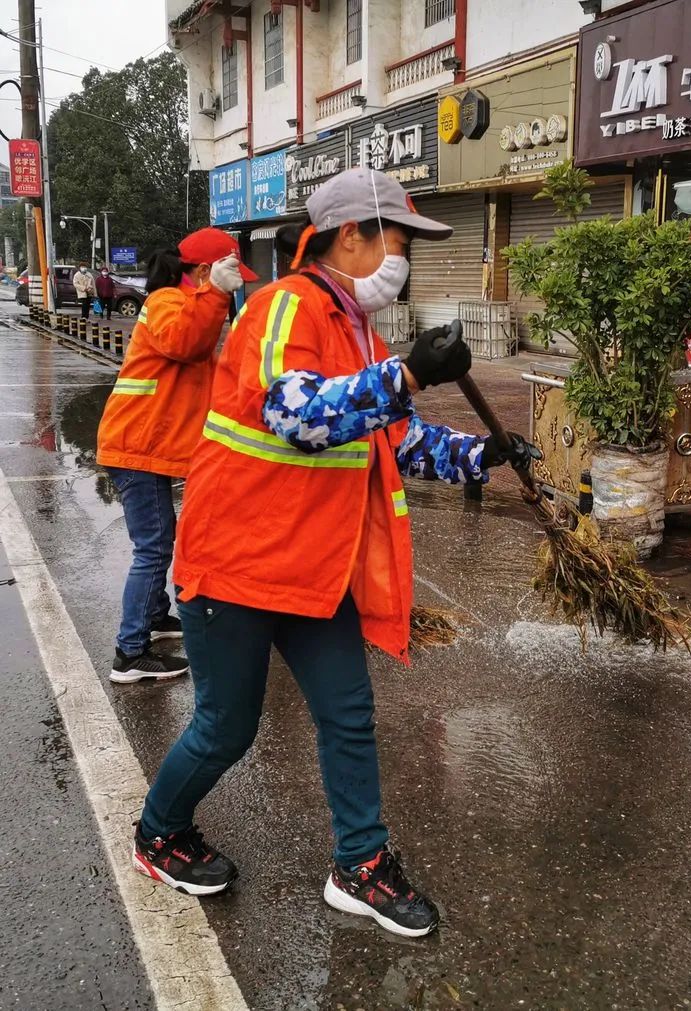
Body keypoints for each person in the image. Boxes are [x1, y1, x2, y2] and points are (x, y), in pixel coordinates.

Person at [131, 169, 538, 938]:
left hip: (313, 570)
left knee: (349, 714)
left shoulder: (358, 329)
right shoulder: (285, 305)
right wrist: (408, 370)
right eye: (399, 238)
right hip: (238, 563)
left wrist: (482, 455)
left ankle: (361, 862)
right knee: (226, 726)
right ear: (350, 236)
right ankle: (159, 831)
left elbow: (395, 434)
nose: (405, 257)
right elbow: (296, 415)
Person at [96, 227, 257, 684]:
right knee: (153, 548)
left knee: (158, 541)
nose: (233, 290)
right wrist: (214, 298)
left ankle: (155, 616)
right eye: (229, 277)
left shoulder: (189, 307)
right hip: (136, 446)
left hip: (150, 444)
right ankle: (130, 653)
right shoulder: (168, 303)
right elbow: (187, 344)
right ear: (205, 271)